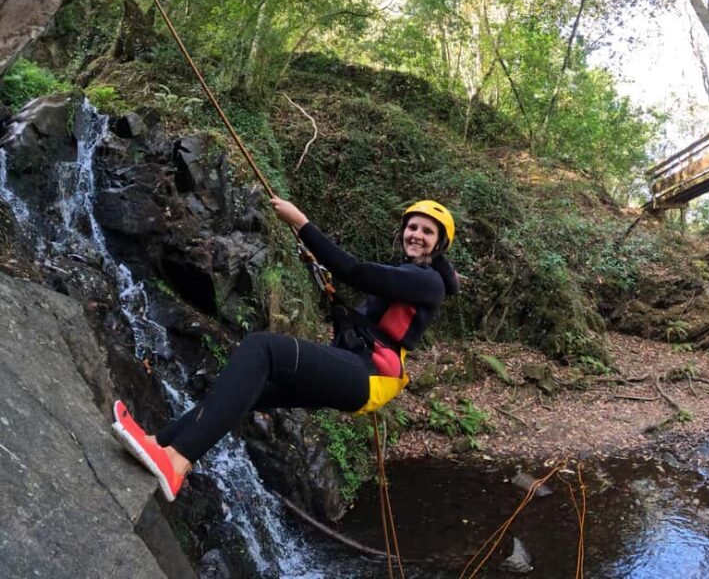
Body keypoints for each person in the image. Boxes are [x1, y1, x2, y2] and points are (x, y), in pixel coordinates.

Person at [112, 197, 459, 501]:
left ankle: (178, 459)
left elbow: (357, 272)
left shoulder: (429, 282)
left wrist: (301, 223)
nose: (417, 235)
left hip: (370, 375)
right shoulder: (409, 275)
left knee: (262, 348)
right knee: (252, 388)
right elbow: (373, 321)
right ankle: (161, 442)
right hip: (360, 367)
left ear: (440, 243)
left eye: (428, 232)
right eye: (413, 227)